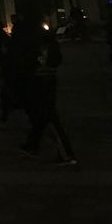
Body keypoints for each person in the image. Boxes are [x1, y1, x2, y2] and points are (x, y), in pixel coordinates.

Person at [20, 29, 77, 166]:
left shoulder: (48, 50)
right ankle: (31, 146)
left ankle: (66, 154)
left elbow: (49, 63)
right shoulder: (47, 48)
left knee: (49, 118)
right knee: (40, 118)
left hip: (44, 84)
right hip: (42, 83)